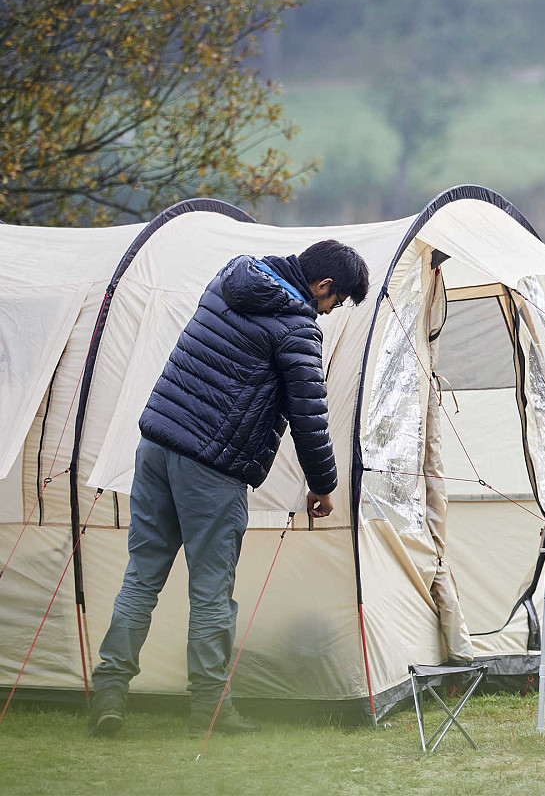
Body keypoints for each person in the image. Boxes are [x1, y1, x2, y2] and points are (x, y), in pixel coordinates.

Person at [88, 240, 369, 739]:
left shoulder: (230, 279)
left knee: (140, 579)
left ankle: (108, 697)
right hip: (212, 468)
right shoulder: (297, 327)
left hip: (155, 445)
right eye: (335, 302)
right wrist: (324, 485)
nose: (329, 313)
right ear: (322, 286)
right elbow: (309, 418)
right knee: (212, 593)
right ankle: (211, 711)